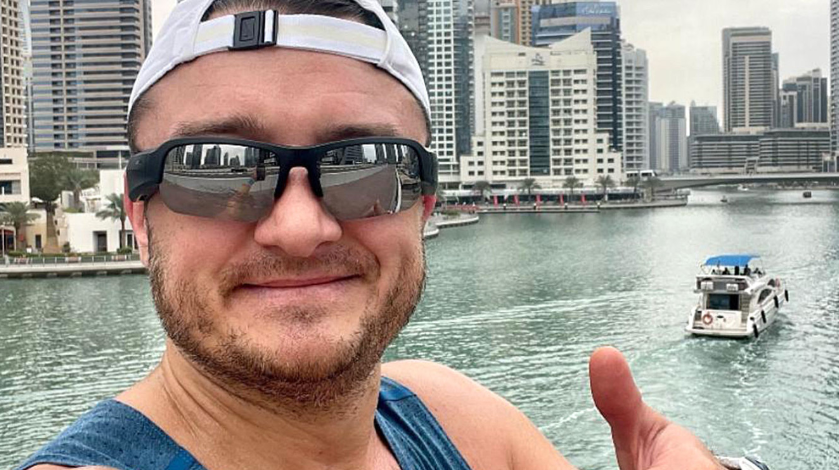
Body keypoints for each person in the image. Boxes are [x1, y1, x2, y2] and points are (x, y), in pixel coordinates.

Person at [18, 0, 737, 469]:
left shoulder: (457, 422)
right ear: (139, 217)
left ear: (423, 206)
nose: (300, 228)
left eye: (365, 164)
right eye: (215, 166)